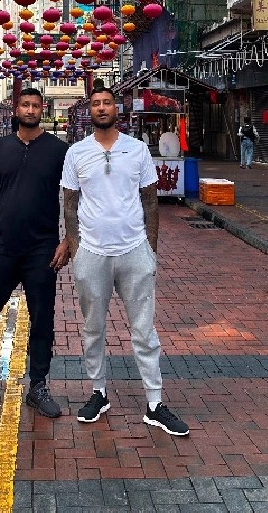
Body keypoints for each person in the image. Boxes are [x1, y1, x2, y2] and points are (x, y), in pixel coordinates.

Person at [61, 84, 189, 437]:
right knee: (92, 329)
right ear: (90, 111)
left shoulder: (137, 150)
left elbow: (150, 201)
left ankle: (154, 402)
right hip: (93, 253)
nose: (102, 108)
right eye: (96, 104)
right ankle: (98, 392)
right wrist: (75, 246)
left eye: (107, 103)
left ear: (117, 109)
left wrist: (151, 250)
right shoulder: (76, 153)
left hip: (134, 251)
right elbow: (69, 203)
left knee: (144, 330)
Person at [0, 88, 69, 417]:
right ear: (17, 108)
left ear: (43, 109)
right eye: (25, 105)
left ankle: (37, 385)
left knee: (43, 318)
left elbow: (71, 197)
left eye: (36, 105)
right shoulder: (0, 148)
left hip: (42, 248)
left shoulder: (58, 150)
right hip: (0, 244)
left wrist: (68, 239)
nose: (30, 110)